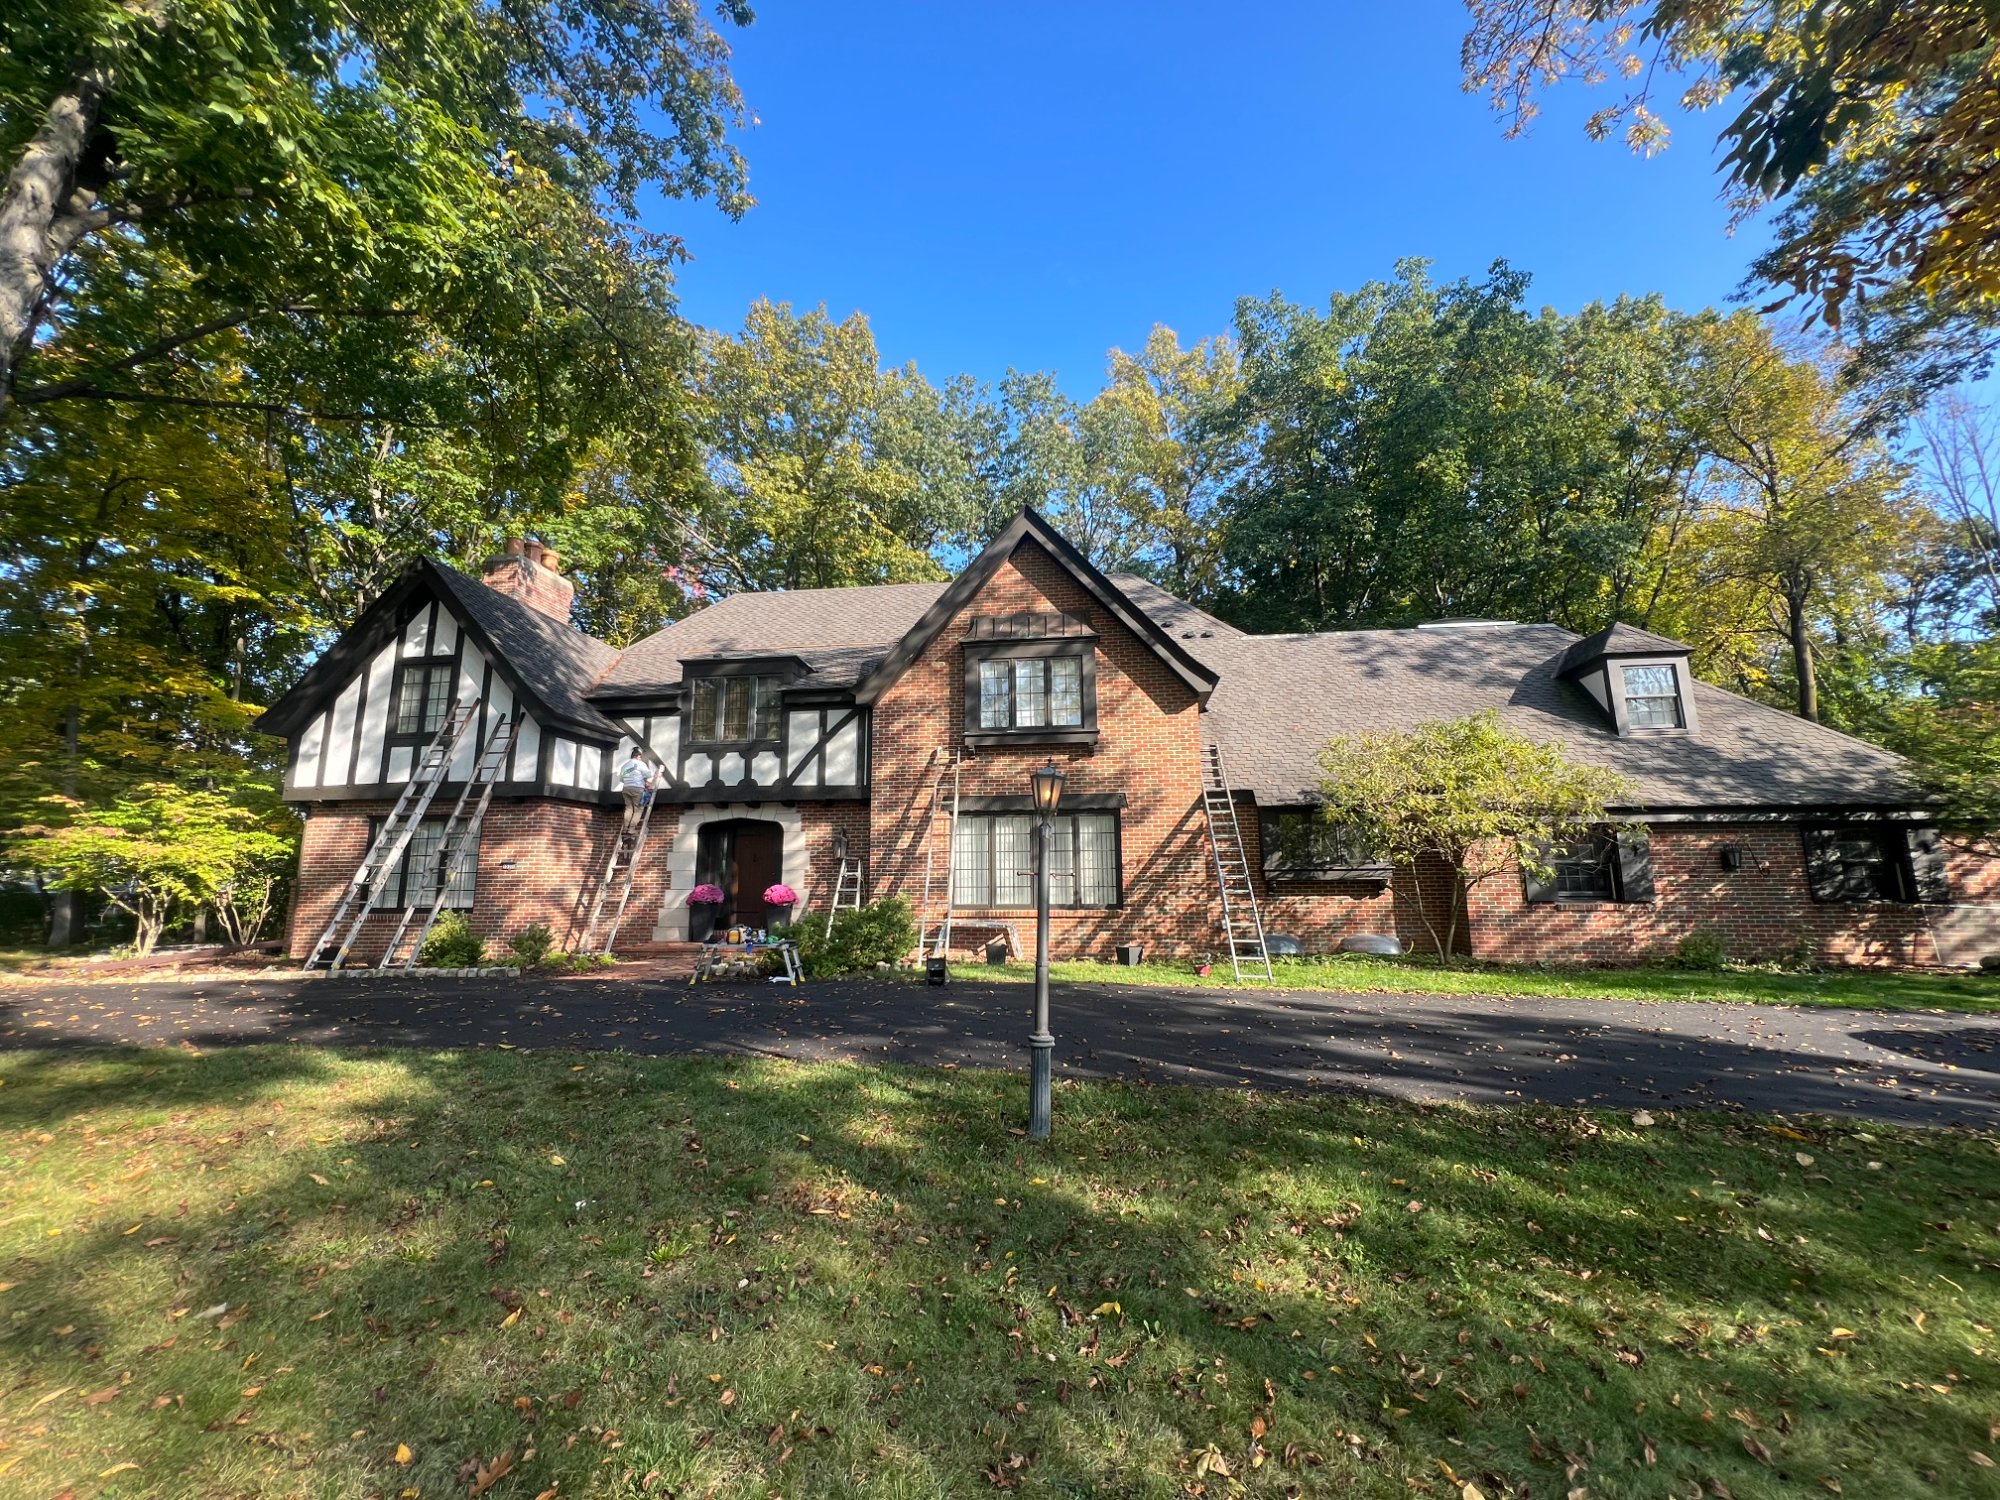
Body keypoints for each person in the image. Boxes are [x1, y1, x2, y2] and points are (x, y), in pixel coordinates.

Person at [616, 749, 653, 834]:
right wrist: (648, 782)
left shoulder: (625, 766)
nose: (640, 758)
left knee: (628, 808)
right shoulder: (640, 764)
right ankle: (631, 829)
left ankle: (625, 827)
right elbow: (648, 774)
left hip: (626, 788)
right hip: (637, 788)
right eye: (640, 757)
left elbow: (622, 779)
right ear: (638, 756)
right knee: (638, 809)